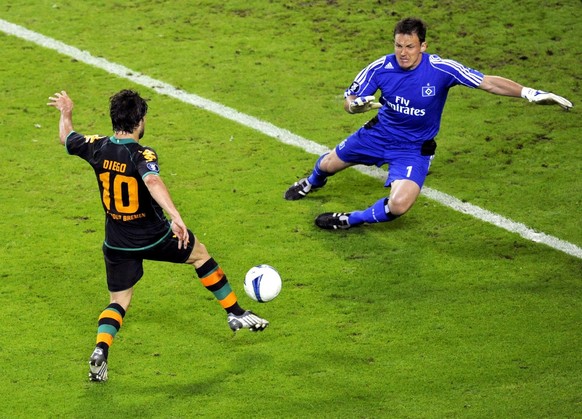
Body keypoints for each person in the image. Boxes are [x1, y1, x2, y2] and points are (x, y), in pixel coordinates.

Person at [48, 89, 269, 382]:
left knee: (119, 300)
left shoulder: (97, 146)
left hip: (116, 241)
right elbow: (151, 180)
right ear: (139, 120)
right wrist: (176, 216)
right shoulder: (142, 153)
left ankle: (101, 349)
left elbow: (66, 138)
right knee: (199, 253)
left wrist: (66, 112)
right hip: (154, 236)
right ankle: (236, 312)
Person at [284, 17, 573, 230]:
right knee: (326, 166)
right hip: (378, 134)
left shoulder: (441, 69)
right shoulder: (380, 67)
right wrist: (355, 105)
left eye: (410, 46)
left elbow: (488, 83)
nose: (403, 53)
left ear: (423, 45)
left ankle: (349, 219)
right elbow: (350, 100)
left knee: (398, 205)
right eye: (398, 45)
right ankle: (311, 183)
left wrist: (528, 93)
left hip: (413, 148)